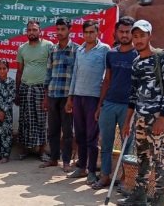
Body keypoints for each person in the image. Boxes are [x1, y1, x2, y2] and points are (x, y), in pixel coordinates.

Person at [118, 20, 164, 206]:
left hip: (156, 117)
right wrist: (128, 121)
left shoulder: (162, 57)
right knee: (142, 157)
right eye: (135, 36)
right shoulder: (136, 62)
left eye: (142, 35)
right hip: (140, 118)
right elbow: (133, 95)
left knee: (159, 158)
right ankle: (140, 195)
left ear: (149, 36)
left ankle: (159, 197)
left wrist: (162, 118)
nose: (138, 39)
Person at [93, 16, 137, 190]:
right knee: (106, 143)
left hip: (129, 107)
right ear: (116, 33)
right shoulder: (111, 53)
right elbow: (107, 80)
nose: (125, 35)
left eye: (128, 32)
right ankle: (105, 176)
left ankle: (125, 180)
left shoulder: (139, 55)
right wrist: (99, 105)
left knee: (127, 144)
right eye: (122, 31)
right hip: (109, 104)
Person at [65, 19, 110, 185]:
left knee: (92, 137)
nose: (89, 35)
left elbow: (107, 76)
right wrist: (70, 97)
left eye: (92, 32)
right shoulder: (80, 50)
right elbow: (75, 74)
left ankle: (92, 171)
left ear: (98, 33)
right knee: (80, 134)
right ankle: (81, 167)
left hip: (94, 98)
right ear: (83, 34)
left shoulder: (105, 50)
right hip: (78, 96)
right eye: (86, 32)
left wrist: (101, 101)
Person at [41, 18, 78, 172]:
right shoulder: (53, 50)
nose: (60, 32)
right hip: (53, 94)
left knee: (67, 130)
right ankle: (54, 158)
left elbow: (77, 75)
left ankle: (67, 161)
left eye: (63, 29)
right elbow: (48, 73)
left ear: (69, 30)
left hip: (67, 96)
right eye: (58, 29)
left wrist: (73, 97)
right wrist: (45, 96)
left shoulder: (76, 50)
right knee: (53, 129)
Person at [15, 20, 53, 160]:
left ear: (40, 31)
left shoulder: (48, 46)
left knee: (41, 120)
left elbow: (52, 69)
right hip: (25, 88)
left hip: (41, 89)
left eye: (34, 29)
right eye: (29, 30)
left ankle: (42, 151)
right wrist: (17, 92)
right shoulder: (22, 48)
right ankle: (25, 150)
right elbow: (19, 71)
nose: (31, 32)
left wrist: (48, 94)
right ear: (26, 32)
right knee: (24, 119)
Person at [0, 60, 15, 164]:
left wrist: (3, 111)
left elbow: (11, 97)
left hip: (7, 114)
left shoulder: (11, 82)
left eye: (4, 68)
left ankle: (5, 155)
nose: (2, 70)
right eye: (0, 69)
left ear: (8, 69)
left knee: (6, 134)